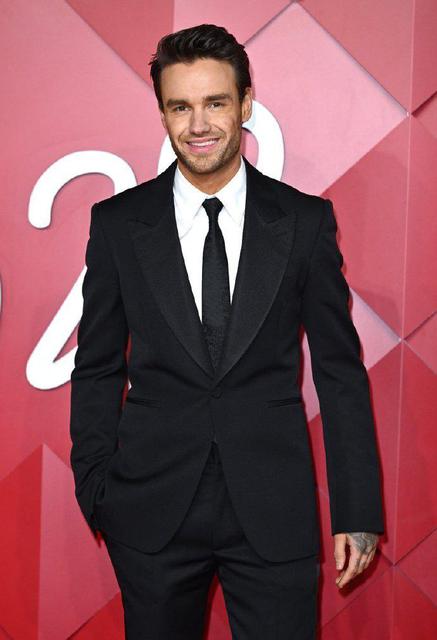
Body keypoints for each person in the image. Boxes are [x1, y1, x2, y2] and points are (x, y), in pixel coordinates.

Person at [70, 23, 385, 639]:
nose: (199, 125)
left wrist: (358, 509)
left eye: (215, 102)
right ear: (163, 113)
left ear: (245, 104)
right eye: (180, 107)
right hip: (149, 512)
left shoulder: (304, 222)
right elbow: (98, 364)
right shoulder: (118, 224)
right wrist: (96, 486)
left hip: (273, 510)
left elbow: (339, 371)